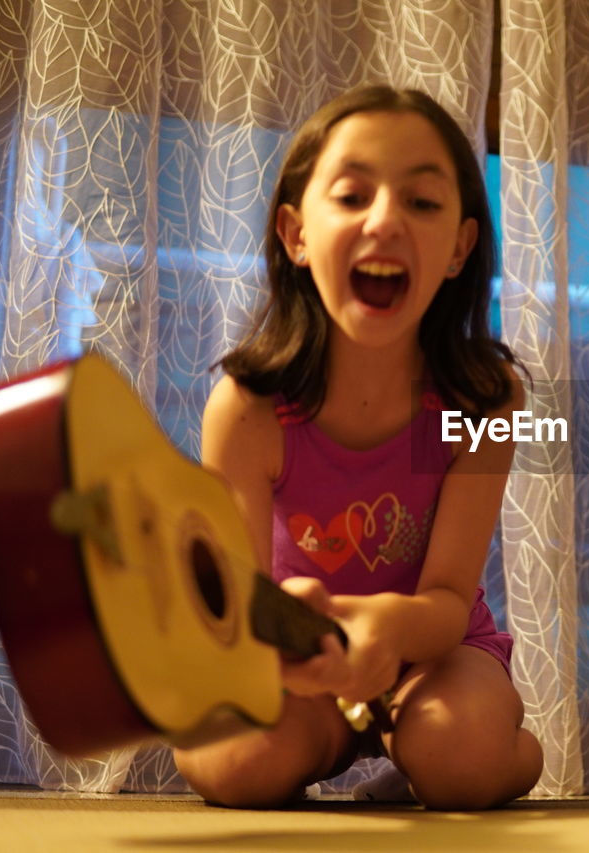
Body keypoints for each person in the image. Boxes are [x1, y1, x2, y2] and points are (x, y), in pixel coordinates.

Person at [174, 85, 543, 809]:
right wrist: (304, 642)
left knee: (462, 758)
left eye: (423, 202)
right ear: (294, 234)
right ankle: (348, 742)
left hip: (434, 652)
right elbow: (240, 613)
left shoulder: (489, 400)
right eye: (350, 196)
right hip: (298, 655)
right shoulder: (246, 407)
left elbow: (445, 598)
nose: (385, 220)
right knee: (231, 763)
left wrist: (383, 627)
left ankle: (487, 739)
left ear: (461, 248)